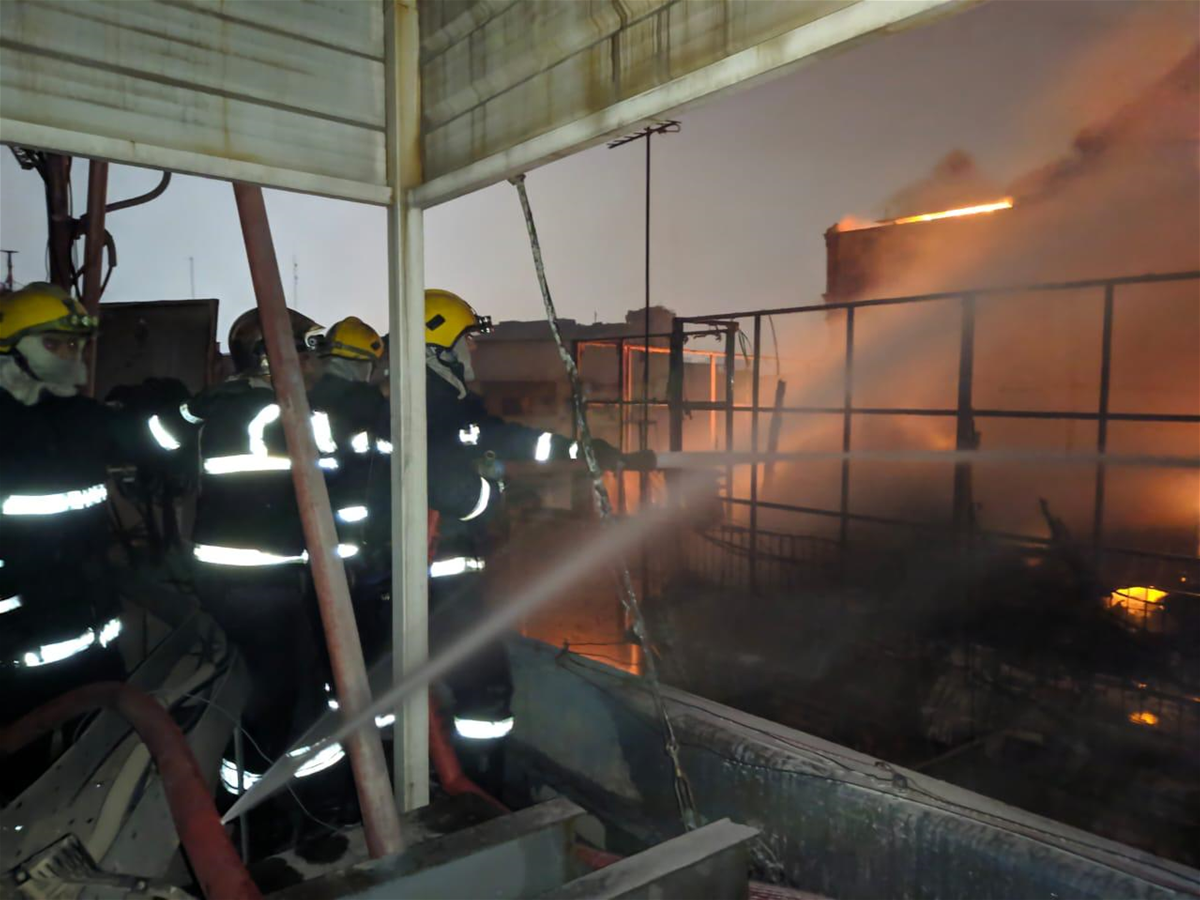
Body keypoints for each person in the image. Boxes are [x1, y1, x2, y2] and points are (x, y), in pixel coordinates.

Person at [0, 283, 173, 787]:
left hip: (93, 639)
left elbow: (155, 443)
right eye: (53, 343)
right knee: (18, 777)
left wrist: (179, 407)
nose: (69, 355)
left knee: (103, 764)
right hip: (18, 656)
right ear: (11, 348)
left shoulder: (79, 417)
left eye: (74, 345)